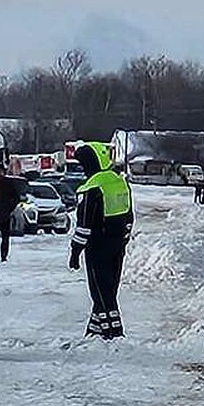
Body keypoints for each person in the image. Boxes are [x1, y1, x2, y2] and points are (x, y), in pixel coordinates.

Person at [68, 141, 134, 340]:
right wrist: (123, 238)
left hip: (97, 247)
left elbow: (84, 226)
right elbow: (129, 216)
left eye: (83, 165)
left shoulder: (92, 188)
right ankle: (94, 331)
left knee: (100, 292)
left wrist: (75, 252)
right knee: (109, 289)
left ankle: (112, 332)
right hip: (117, 245)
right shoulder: (119, 182)